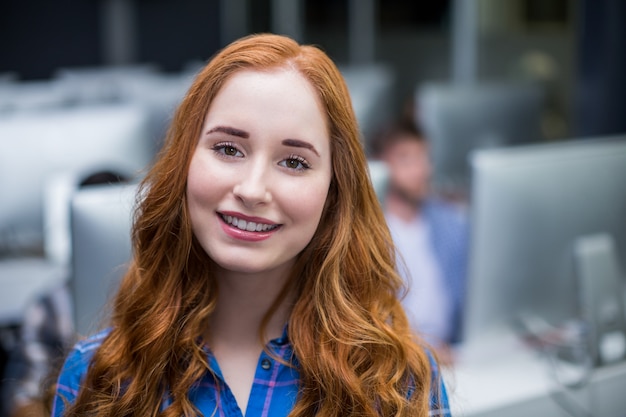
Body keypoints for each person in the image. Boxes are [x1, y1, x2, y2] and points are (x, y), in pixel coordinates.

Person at [51, 34, 451, 417]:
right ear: (184, 164)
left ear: (334, 193)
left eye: (294, 161)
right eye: (228, 149)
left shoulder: (399, 380)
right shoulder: (96, 376)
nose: (253, 189)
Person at [371, 117, 469, 361]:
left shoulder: (449, 222)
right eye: (405, 159)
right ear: (379, 166)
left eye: (424, 158)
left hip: (451, 355)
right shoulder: (369, 231)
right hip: (396, 360)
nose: (421, 170)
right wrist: (420, 351)